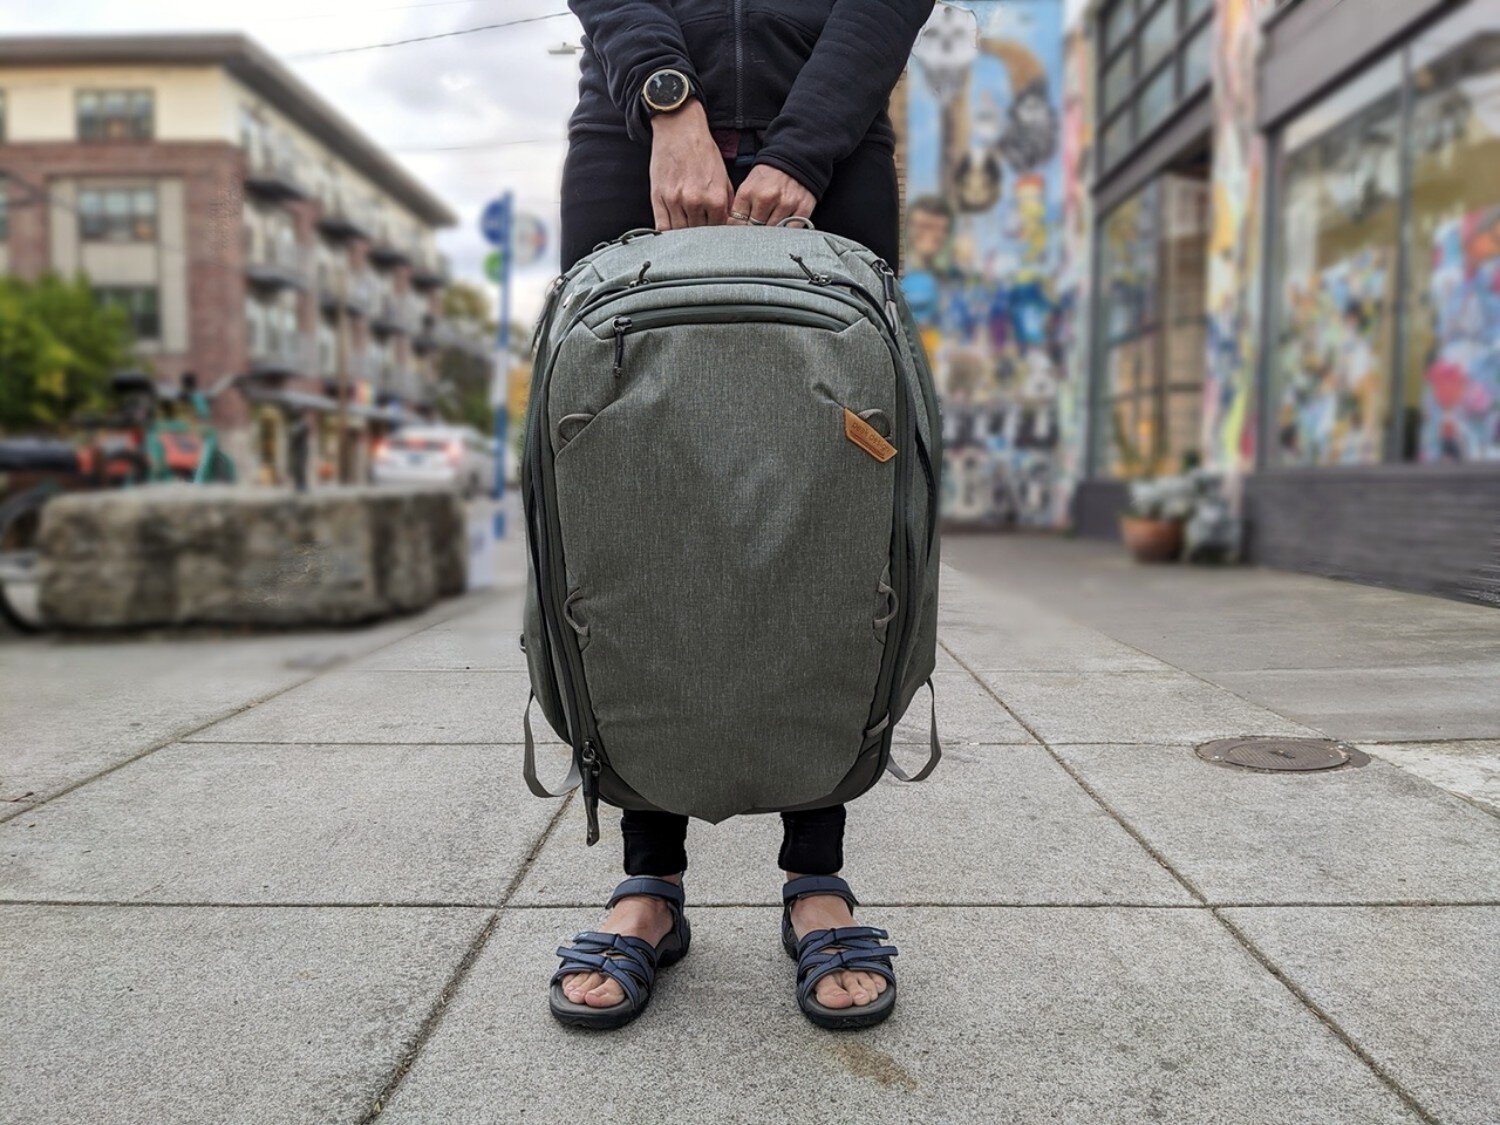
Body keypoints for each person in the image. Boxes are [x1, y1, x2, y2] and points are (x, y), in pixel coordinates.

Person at [550, 0, 935, 1032]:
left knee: (826, 524)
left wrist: (807, 147)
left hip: (836, 132)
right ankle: (648, 882)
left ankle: (818, 875)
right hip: (630, 132)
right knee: (630, 518)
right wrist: (664, 101)